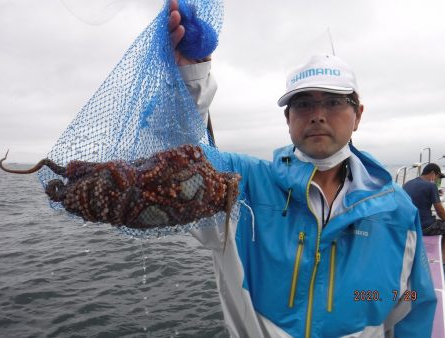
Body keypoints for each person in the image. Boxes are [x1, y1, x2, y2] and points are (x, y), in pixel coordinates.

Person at [168, 1, 436, 337]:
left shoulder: (396, 208)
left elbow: (411, 302)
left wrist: (370, 297)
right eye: (303, 102)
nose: (318, 114)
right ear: (288, 118)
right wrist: (190, 79)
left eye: (335, 101)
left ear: (359, 115)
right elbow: (176, 169)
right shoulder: (240, 184)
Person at [403, 163, 445, 259]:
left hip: (409, 225)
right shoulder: (431, 186)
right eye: (438, 177)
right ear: (433, 173)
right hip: (425, 227)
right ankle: (443, 257)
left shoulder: (407, 184)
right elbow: (440, 211)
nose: (438, 180)